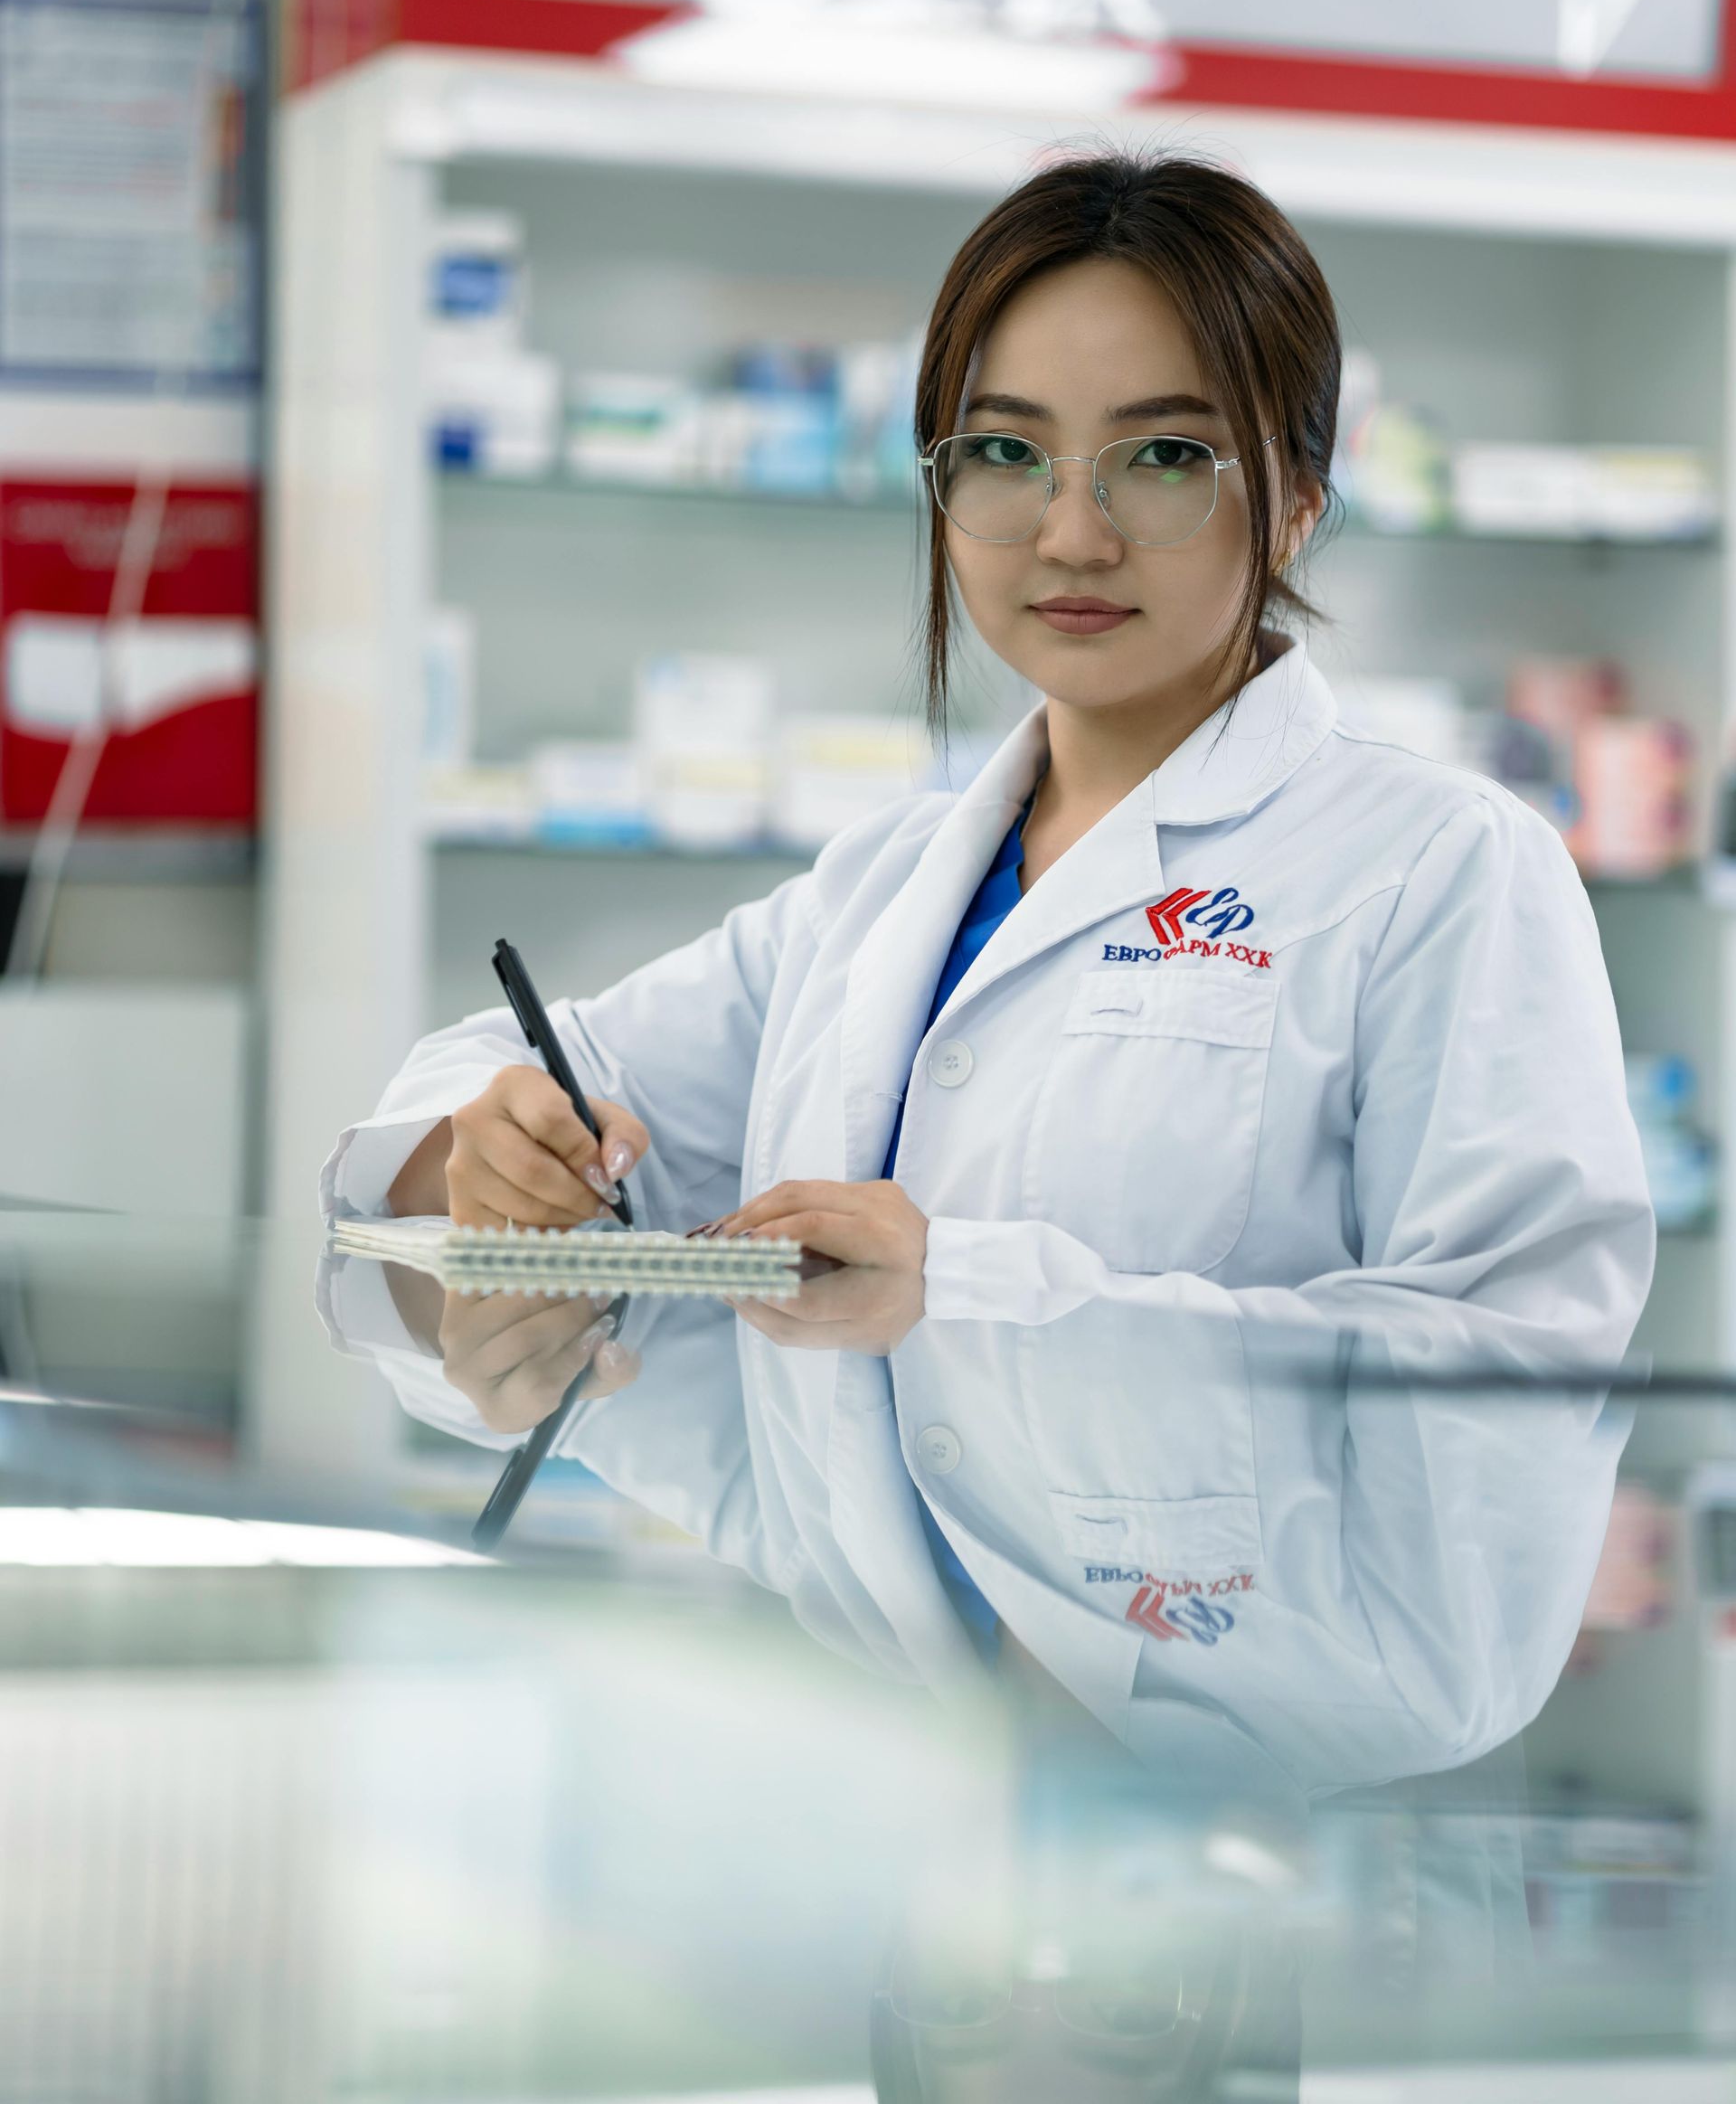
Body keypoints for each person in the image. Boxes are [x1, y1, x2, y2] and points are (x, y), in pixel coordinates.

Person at [318, 151, 1653, 1797]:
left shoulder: (1439, 862)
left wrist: (974, 1289)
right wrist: (493, 1149)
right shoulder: (885, 890)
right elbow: (461, 1116)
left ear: (1300, 493)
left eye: (1164, 456)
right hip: (925, 1753)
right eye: (1005, 453)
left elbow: (1516, 1379)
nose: (1071, 530)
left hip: (1266, 1735)